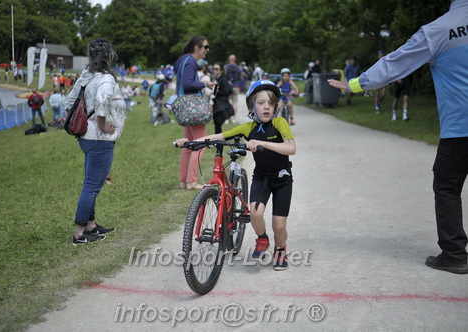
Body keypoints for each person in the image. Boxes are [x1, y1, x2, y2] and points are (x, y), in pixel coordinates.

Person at [328, 0, 468, 274]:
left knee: (447, 186)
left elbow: (395, 63)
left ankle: (455, 255)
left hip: (460, 128)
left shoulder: (438, 30)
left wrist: (355, 84)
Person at [175, 80, 296, 270]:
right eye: (261, 103)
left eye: (270, 104)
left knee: (279, 227)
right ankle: (262, 239)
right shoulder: (248, 128)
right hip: (262, 177)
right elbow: (219, 137)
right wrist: (190, 142)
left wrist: (262, 144)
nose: (266, 107)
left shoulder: (279, 123)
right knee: (255, 213)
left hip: (282, 178)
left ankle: (280, 249)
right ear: (252, 106)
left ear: (275, 107)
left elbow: (291, 148)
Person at [66, 38, 125, 245]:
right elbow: (101, 102)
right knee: (92, 186)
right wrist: (100, 124)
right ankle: (80, 233)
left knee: (91, 182)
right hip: (99, 139)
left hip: (86, 137)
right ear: (109, 57)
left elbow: (70, 101)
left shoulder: (86, 75)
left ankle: (90, 225)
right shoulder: (106, 79)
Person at [173, 35, 216, 190]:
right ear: (197, 48)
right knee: (201, 144)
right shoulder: (191, 61)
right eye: (205, 47)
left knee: (187, 145)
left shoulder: (183, 60)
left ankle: (183, 181)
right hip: (193, 107)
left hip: (186, 108)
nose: (207, 50)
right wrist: (204, 83)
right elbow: (188, 84)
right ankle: (191, 181)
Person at [211, 62, 233, 134]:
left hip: (221, 105)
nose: (214, 70)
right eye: (213, 69)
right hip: (217, 104)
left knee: (218, 124)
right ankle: (217, 141)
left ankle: (218, 142)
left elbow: (226, 91)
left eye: (216, 69)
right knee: (217, 124)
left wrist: (216, 91)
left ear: (221, 70)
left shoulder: (223, 79)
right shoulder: (217, 78)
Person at [225, 54, 243, 123]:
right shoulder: (239, 68)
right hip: (235, 87)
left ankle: (226, 118)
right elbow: (241, 78)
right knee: (234, 103)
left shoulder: (226, 67)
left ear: (229, 59)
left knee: (227, 102)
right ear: (235, 60)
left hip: (227, 87)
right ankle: (234, 119)